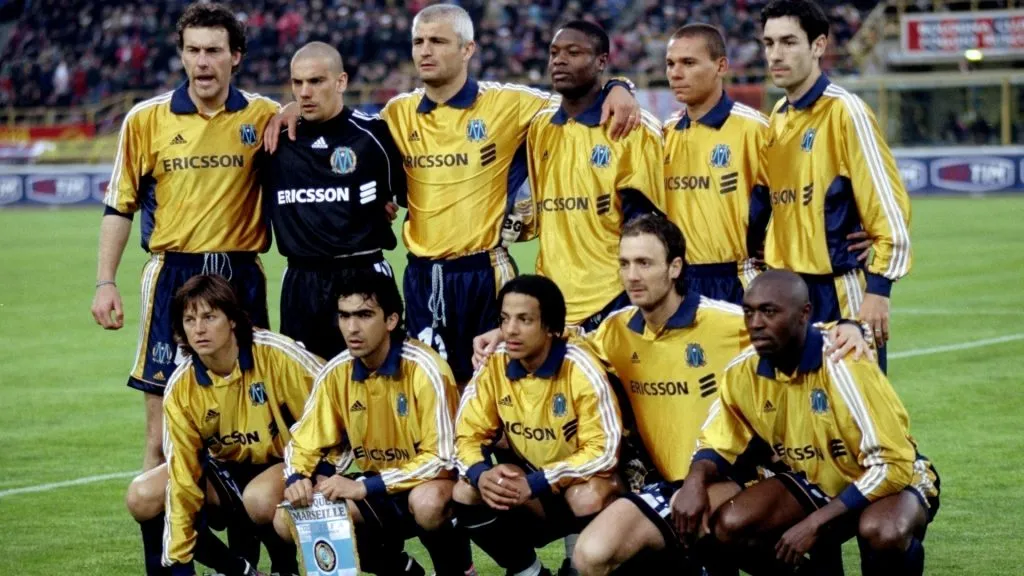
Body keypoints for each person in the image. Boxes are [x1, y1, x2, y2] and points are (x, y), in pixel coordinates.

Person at [265, 3, 642, 388]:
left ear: (467, 50)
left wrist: (618, 85)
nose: (425, 50)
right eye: (418, 41)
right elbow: (343, 125)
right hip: (423, 276)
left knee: (499, 390)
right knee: (431, 390)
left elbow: (575, 97)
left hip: (484, 272)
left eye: (438, 41)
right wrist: (295, 107)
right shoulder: (398, 114)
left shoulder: (509, 104)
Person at [472, 215, 870, 575]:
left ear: (675, 267)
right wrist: (506, 336)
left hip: (729, 478)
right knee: (592, 555)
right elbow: (561, 340)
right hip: (661, 485)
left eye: (644, 263)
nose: (632, 276)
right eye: (625, 264)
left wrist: (851, 327)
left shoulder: (721, 322)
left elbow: (801, 330)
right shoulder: (616, 330)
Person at [91, 2, 279, 474]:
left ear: (235, 56)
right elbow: (120, 206)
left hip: (238, 274)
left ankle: (247, 548)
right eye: (192, 50)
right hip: (173, 275)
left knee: (253, 427)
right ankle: (167, 552)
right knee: (160, 436)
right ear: (180, 55)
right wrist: (104, 281)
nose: (202, 61)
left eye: (213, 50)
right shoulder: (145, 119)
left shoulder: (265, 115)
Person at [673, 270, 940, 576]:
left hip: (891, 479)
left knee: (883, 530)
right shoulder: (742, 371)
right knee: (729, 525)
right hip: (815, 481)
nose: (756, 323)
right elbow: (716, 442)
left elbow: (893, 464)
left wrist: (816, 522)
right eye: (749, 312)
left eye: (769, 311)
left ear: (804, 314)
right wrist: (692, 484)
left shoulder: (844, 361)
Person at [123, 275, 332, 576]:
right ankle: (237, 570)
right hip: (226, 471)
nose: (199, 329)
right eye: (190, 319)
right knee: (142, 495)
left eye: (209, 317)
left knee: (258, 498)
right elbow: (184, 479)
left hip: (290, 465)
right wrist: (180, 561)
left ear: (232, 320)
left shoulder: (276, 354)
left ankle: (286, 566)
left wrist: (317, 470)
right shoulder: (181, 386)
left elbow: (335, 405)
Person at [282, 272, 473, 576]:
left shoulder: (426, 369)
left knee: (428, 502)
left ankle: (458, 570)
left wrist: (365, 485)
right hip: (372, 483)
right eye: (344, 316)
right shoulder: (337, 371)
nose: (352, 328)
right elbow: (303, 441)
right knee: (290, 518)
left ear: (391, 320)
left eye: (364, 315)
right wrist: (297, 479)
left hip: (426, 483)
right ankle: (402, 570)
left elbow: (443, 459)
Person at [760, 0, 912, 371]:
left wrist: (878, 291)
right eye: (768, 43)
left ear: (818, 45)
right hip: (788, 295)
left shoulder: (847, 112)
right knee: (799, 420)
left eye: (789, 42)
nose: (775, 55)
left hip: (839, 293)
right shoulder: (778, 117)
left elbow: (888, 206)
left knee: (857, 416)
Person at [455, 275, 623, 576]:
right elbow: (464, 435)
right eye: (504, 319)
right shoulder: (494, 364)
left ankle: (580, 566)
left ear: (550, 328)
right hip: (533, 489)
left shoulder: (580, 368)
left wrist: (539, 481)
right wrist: (481, 474)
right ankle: (528, 572)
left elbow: (604, 452)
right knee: (466, 491)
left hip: (586, 484)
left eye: (524, 320)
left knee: (585, 495)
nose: (510, 330)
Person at [262, 41, 403, 360]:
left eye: (316, 81)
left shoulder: (374, 137)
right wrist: (286, 109)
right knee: (304, 396)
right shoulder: (275, 143)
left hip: (364, 273)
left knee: (375, 385)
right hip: (302, 282)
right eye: (297, 83)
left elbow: (412, 196)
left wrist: (385, 205)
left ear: (341, 82)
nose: (304, 92)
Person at [525, 21, 666, 332]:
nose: (558, 60)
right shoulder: (539, 127)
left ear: (601, 61)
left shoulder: (631, 127)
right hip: (553, 300)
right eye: (554, 53)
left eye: (573, 52)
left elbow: (646, 224)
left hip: (614, 297)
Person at [661, 23, 771, 305]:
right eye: (670, 64)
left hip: (737, 281)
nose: (675, 73)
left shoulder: (755, 129)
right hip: (675, 282)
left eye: (688, 63)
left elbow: (791, 198)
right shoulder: (664, 134)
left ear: (721, 66)